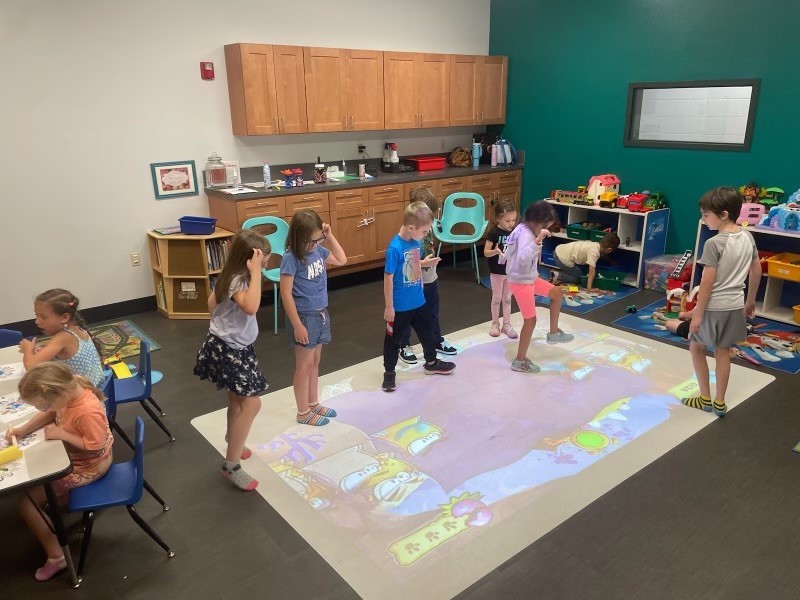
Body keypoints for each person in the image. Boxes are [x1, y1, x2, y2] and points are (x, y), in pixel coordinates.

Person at [8, 363, 113, 581]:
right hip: (80, 458)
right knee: (37, 481)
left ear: (57, 392)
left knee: (26, 502)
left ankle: (57, 556)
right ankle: (55, 508)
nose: (45, 410)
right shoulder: (69, 391)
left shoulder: (86, 411)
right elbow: (54, 412)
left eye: (44, 405)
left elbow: (96, 445)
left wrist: (62, 435)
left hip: (90, 466)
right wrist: (23, 430)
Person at [194, 230, 271, 490]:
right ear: (250, 260)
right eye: (263, 260)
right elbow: (251, 307)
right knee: (251, 404)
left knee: (236, 400)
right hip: (229, 349)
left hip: (232, 345)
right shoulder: (240, 280)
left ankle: (233, 438)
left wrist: (219, 323)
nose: (266, 263)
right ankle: (231, 465)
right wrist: (257, 273)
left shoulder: (230, 274)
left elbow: (211, 303)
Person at [682, 186, 760, 417]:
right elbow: (756, 271)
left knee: (696, 347)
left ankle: (705, 399)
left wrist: (697, 314)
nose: (703, 219)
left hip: (714, 307)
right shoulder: (747, 236)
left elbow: (706, 283)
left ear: (723, 214)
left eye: (706, 215)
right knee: (723, 351)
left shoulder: (713, 243)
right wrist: (751, 301)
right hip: (735, 305)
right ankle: (720, 403)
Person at [280, 209, 347, 426]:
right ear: (299, 237)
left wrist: (328, 236)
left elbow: (342, 259)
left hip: (320, 314)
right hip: (305, 317)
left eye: (318, 239)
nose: (315, 244)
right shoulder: (291, 258)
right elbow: (285, 294)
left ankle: (313, 402)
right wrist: (297, 325)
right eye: (312, 240)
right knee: (304, 366)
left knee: (315, 362)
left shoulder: (318, 250)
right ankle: (302, 412)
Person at [382, 201, 456, 392]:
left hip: (418, 300)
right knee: (393, 341)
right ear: (411, 227)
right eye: (424, 231)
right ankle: (389, 373)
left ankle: (431, 362)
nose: (426, 235)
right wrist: (389, 307)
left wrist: (423, 263)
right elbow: (388, 278)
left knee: (427, 333)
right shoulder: (395, 248)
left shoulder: (414, 241)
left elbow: (411, 265)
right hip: (400, 306)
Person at [501, 201, 574, 373]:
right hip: (521, 281)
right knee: (530, 320)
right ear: (538, 222)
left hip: (528, 278)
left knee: (556, 293)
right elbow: (522, 259)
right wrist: (538, 239)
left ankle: (554, 332)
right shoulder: (526, 234)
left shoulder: (522, 228)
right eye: (545, 226)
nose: (546, 229)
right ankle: (519, 361)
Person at [398, 188, 457, 364]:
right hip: (412, 282)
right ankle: (403, 345)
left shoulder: (427, 227)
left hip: (430, 278)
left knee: (433, 312)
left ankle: (435, 339)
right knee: (408, 315)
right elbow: (405, 262)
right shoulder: (406, 235)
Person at [19, 289, 105, 387]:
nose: (37, 321)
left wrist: (27, 350)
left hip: (86, 398)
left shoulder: (63, 337)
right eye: (36, 315)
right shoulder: (77, 329)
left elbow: (30, 368)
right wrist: (44, 351)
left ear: (64, 318)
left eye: (43, 317)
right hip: (97, 389)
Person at [483, 198, 519, 338]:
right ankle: (495, 323)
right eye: (508, 221)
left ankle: (507, 324)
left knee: (508, 298)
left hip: (510, 272)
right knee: (497, 298)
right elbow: (486, 253)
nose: (511, 224)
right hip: (496, 271)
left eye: (513, 220)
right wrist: (496, 251)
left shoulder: (514, 233)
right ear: (498, 219)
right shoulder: (493, 233)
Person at [551, 233, 620, 290]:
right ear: (609, 250)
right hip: (561, 258)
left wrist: (612, 262)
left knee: (578, 272)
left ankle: (563, 273)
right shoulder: (594, 253)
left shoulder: (594, 244)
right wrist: (589, 288)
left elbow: (603, 256)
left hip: (559, 250)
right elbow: (591, 272)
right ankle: (558, 276)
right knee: (578, 278)